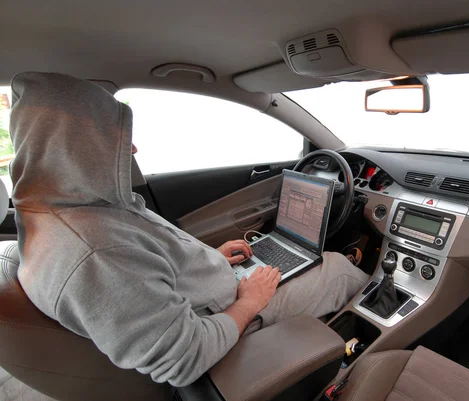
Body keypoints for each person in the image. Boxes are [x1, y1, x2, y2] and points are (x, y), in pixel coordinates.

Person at [9, 72, 369, 387]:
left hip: (218, 292)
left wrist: (211, 259)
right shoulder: (96, 254)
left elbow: (146, 269)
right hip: (228, 315)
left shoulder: (67, 207)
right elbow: (187, 358)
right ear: (75, 147)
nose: (131, 147)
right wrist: (249, 302)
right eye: (116, 138)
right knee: (336, 267)